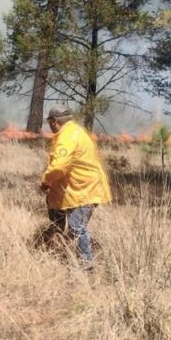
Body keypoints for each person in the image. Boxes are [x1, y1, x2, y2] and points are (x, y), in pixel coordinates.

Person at [40, 107, 112, 267]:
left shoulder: (67, 137)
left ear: (54, 121)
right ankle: (55, 250)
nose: (49, 126)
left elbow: (59, 166)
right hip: (75, 189)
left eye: (49, 123)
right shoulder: (74, 131)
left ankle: (86, 264)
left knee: (76, 227)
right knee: (57, 218)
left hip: (83, 190)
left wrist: (46, 181)